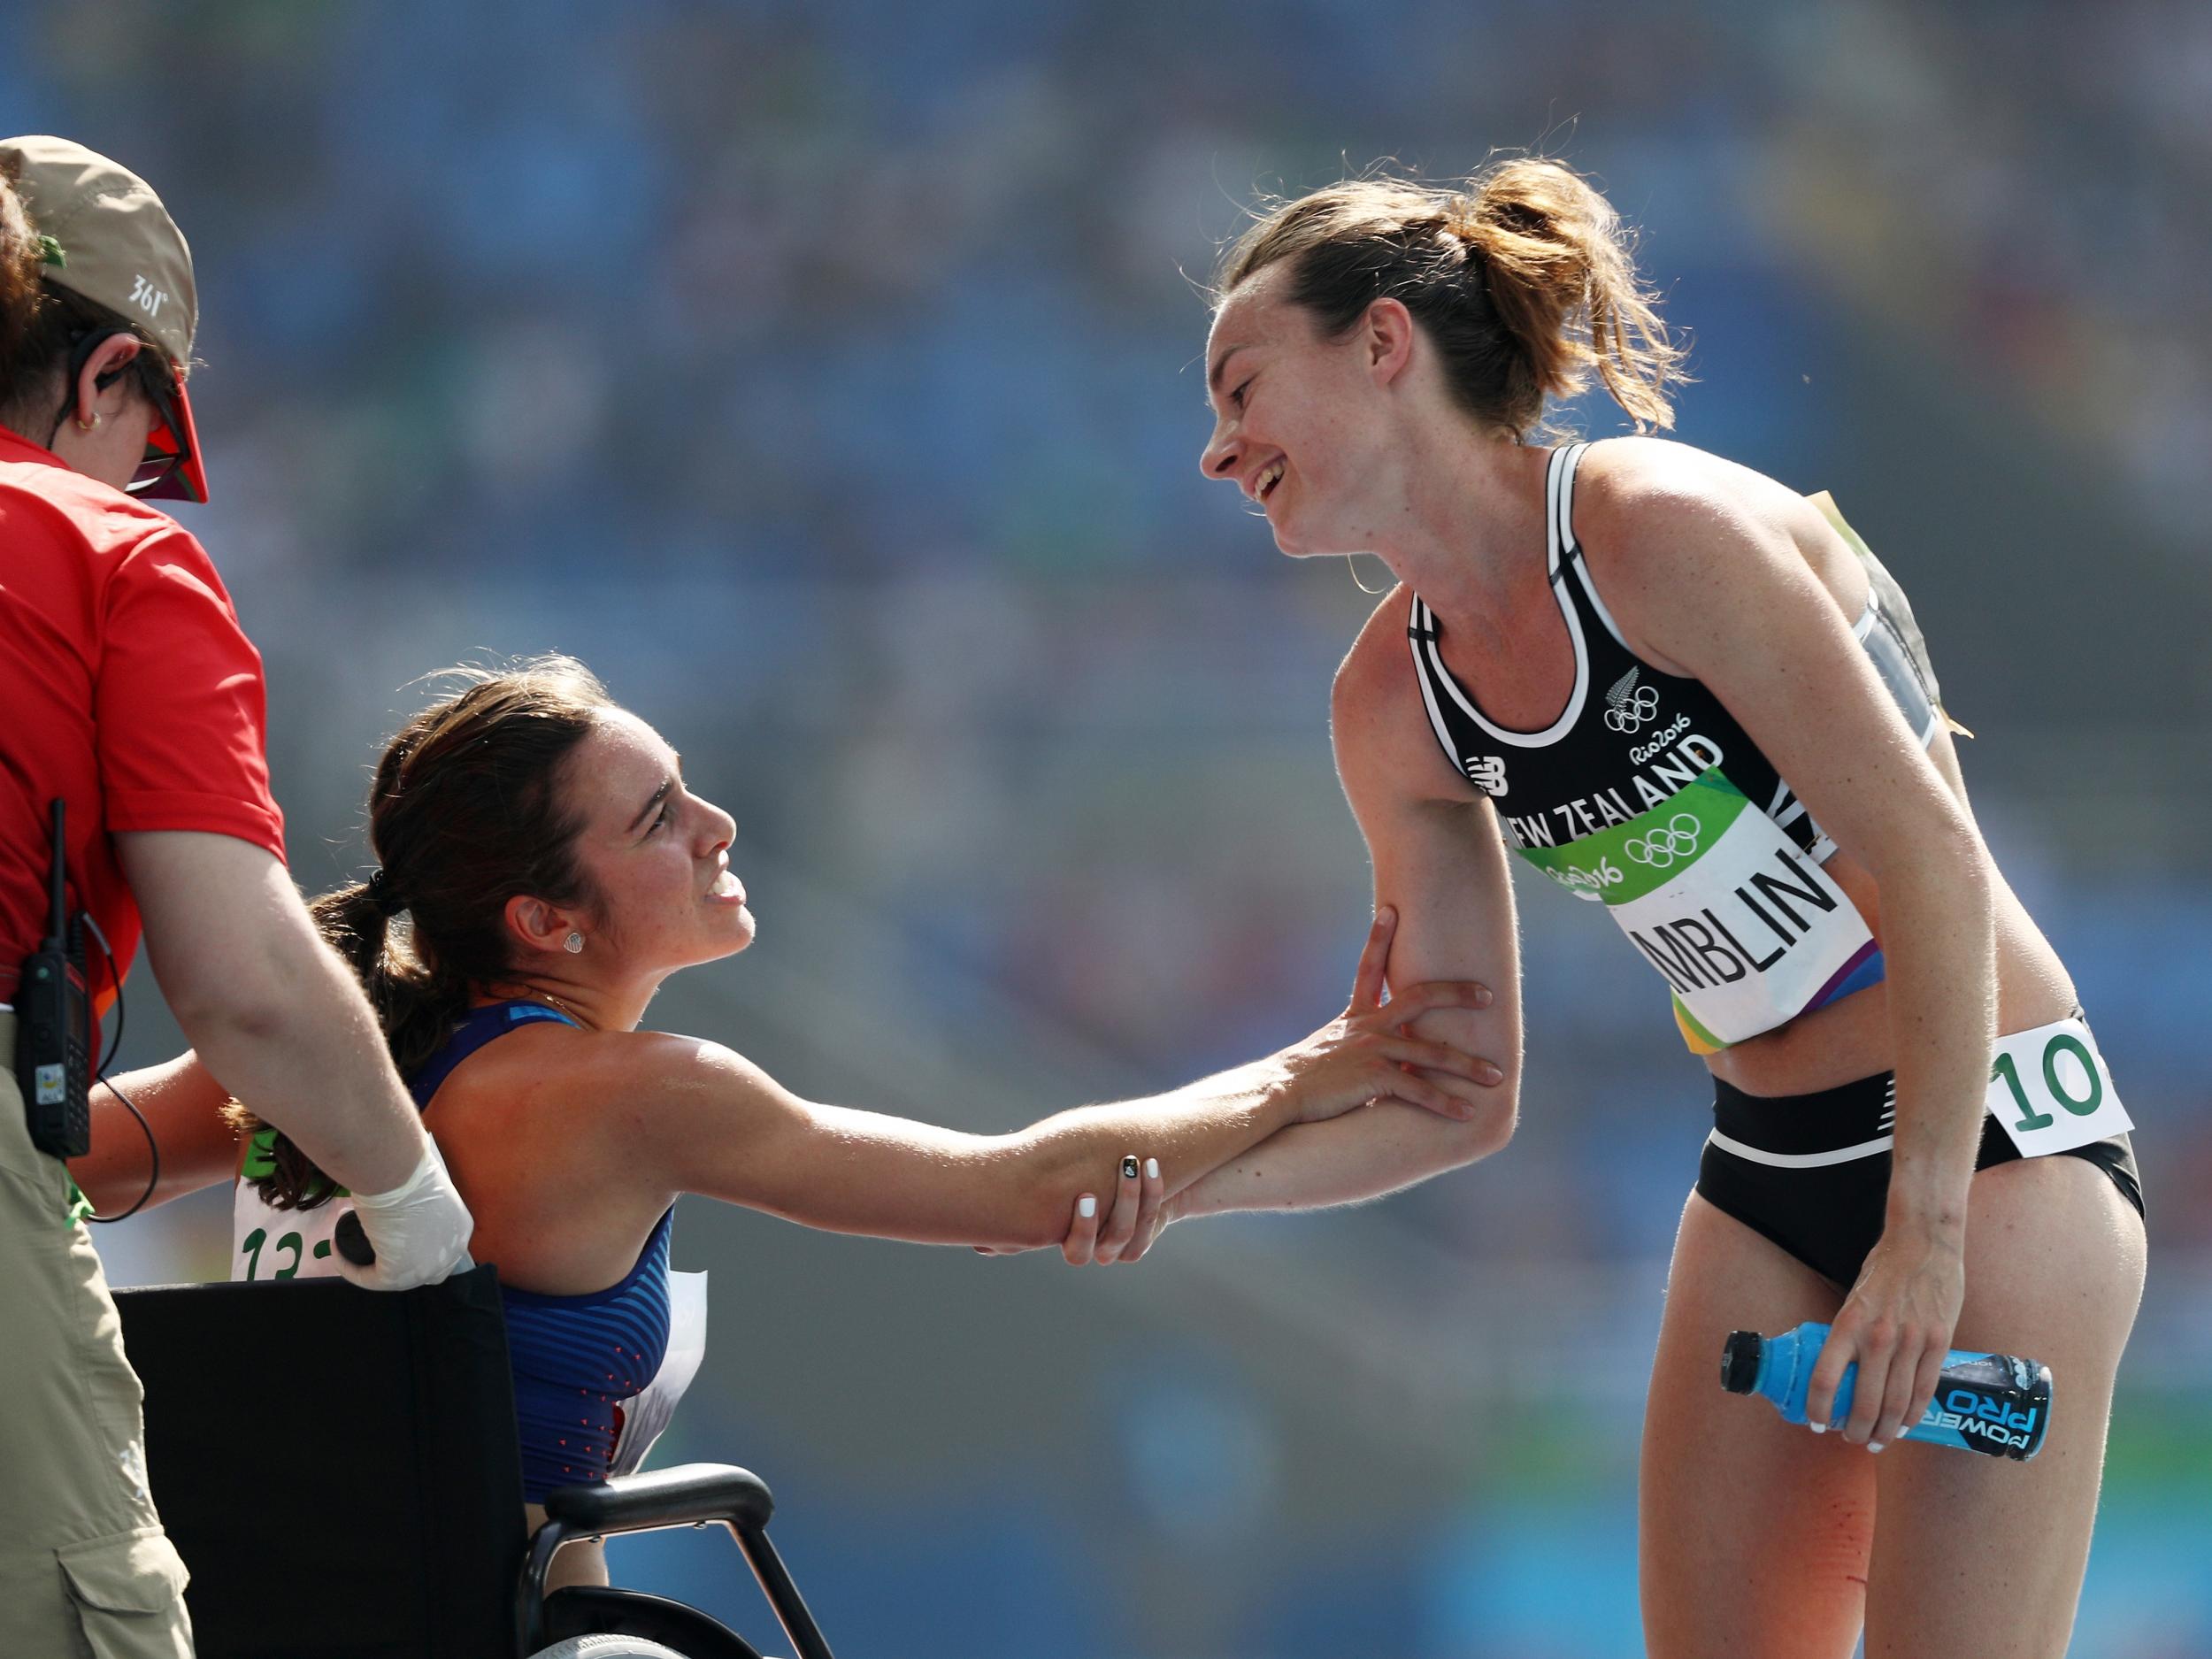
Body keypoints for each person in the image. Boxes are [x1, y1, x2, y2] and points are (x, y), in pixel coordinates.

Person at [1060, 158, 2146, 1656]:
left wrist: (1927, 1233)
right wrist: (1183, 1188)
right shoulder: (1390, 706)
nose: (1215, 451)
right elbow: (1457, 1096)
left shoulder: (1655, 534)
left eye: (1241, 390)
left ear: (1384, 346)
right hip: (1768, 1166)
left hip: (1994, 1144)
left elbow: (1934, 861)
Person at [73, 654, 1504, 1588]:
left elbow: (57, 1161)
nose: (719, 825)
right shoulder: (642, 1097)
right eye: (656, 821)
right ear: (544, 920)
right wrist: (1317, 1064)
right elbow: (1023, 1195)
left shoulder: (314, 1058)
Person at [0, 137, 473, 1656]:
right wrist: (410, 1199)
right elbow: (248, 986)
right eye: (145, 437)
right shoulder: (102, 551)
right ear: (104, 374)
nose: (141, 478)